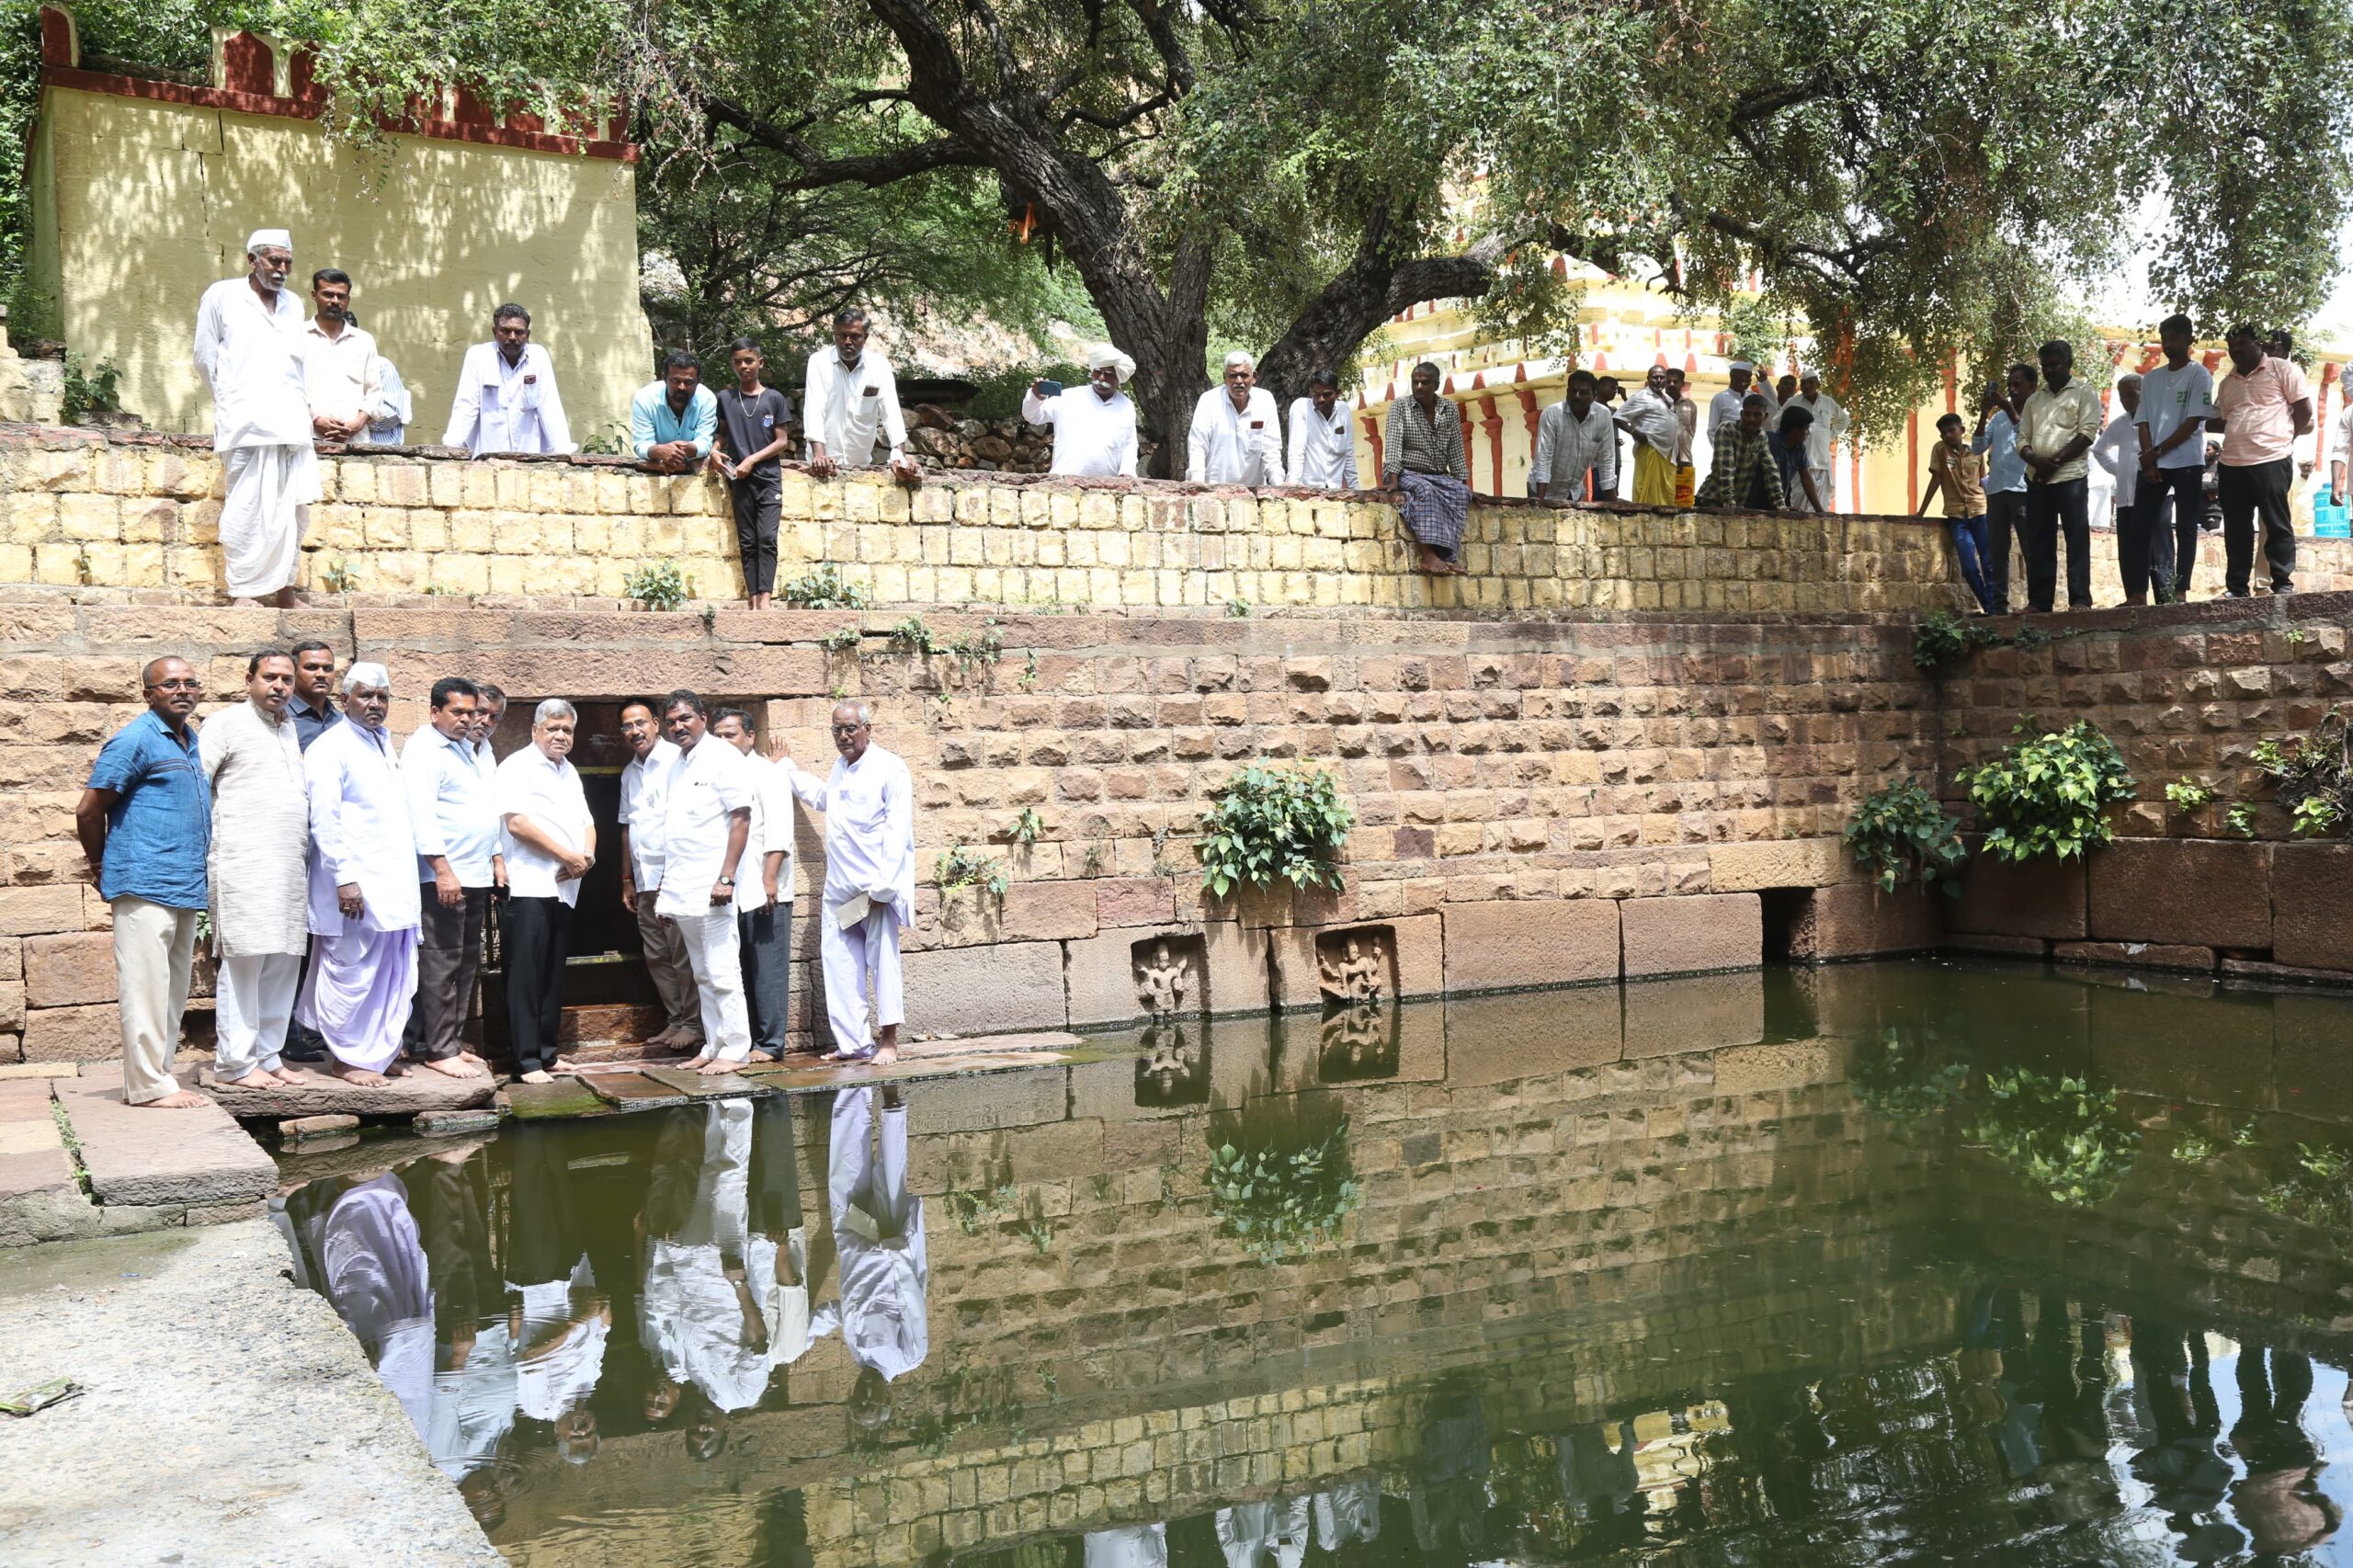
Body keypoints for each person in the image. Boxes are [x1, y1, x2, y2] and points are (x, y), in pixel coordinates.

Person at [76, 657, 211, 1108]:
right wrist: (100, 867)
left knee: (171, 988)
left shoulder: (189, 740)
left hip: (183, 880)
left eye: (190, 683)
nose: (182, 690)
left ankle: (158, 1074)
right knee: (145, 985)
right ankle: (147, 1087)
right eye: (169, 683)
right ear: (147, 693)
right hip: (143, 879)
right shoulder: (135, 739)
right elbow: (89, 810)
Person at [300, 662, 422, 1085]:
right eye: (366, 695)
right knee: (351, 970)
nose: (375, 704)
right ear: (345, 700)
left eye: (382, 696)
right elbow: (325, 820)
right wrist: (344, 878)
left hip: (393, 885)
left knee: (391, 971)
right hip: (356, 886)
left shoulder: (382, 744)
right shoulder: (330, 747)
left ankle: (376, 1053)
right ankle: (346, 1058)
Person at [775, 702, 915, 1066]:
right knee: (839, 964)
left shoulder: (890, 768)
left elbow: (898, 829)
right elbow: (825, 798)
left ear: (868, 728)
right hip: (840, 889)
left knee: (882, 962)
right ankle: (853, 1044)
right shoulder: (841, 767)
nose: (843, 736)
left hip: (873, 889)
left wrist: (885, 887)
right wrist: (787, 769)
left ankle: (888, 1042)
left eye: (851, 728)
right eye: (837, 729)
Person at [198, 649, 310, 1089]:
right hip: (243, 864)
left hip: (287, 865)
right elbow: (197, 784)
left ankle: (268, 1053)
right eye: (270, 677)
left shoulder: (290, 728)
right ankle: (236, 1063)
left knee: (283, 961)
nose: (279, 686)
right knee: (245, 963)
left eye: (286, 679)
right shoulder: (225, 724)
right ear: (250, 680)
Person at [192, 228, 316, 608]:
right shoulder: (222, 295)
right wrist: (229, 402)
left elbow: (298, 364)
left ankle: (284, 590)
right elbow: (204, 356)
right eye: (274, 261)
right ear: (253, 260)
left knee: (292, 509)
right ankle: (243, 590)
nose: (281, 269)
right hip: (244, 421)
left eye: (287, 263)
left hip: (291, 422)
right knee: (246, 506)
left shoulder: (294, 304)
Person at [654, 691, 757, 1075]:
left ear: (702, 716)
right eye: (671, 722)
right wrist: (666, 893)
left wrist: (726, 877)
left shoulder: (722, 756)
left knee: (722, 969)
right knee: (700, 972)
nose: (678, 727)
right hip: (683, 886)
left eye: (685, 719)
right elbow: (676, 834)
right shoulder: (676, 765)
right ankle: (714, 1045)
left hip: (714, 886)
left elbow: (741, 818)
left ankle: (735, 1049)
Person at [810, 1085, 929, 1416]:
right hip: (887, 1244)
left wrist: (799, 1340)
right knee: (890, 1180)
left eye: (856, 1401)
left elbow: (839, 1310)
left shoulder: (858, 1354)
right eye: (871, 1402)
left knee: (845, 1171)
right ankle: (892, 1108)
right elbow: (913, 1304)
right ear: (886, 1399)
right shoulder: (909, 1358)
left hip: (854, 1239)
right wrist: (896, 1254)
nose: (863, 1394)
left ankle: (853, 1088)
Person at [401, 677, 498, 1081]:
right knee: (440, 962)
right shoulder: (424, 749)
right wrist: (442, 870)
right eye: (457, 712)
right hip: (443, 876)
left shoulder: (467, 749)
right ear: (434, 712)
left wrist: (494, 859)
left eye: (471, 712)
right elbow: (421, 815)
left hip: (473, 874)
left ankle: (452, 1041)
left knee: (465, 962)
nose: (466, 719)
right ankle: (438, 1049)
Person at [495, 699, 594, 1085]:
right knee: (525, 974)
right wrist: (568, 856)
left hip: (564, 887)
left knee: (552, 972)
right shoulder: (517, 766)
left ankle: (547, 1053)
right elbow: (518, 824)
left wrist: (585, 857)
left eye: (567, 730)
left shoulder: (568, 771)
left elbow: (587, 821)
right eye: (553, 728)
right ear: (535, 730)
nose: (560, 736)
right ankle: (526, 1061)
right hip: (527, 884)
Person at [616, 701, 703, 1057]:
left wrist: (672, 872)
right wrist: (627, 878)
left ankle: (695, 1025)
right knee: (657, 954)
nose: (634, 731)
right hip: (644, 878)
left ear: (655, 724)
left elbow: (683, 822)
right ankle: (676, 1017)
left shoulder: (675, 761)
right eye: (626, 727)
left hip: (675, 876)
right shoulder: (628, 773)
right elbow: (627, 828)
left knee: (683, 954)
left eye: (640, 723)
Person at [713, 709, 796, 1063]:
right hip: (733, 890)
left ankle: (769, 1043)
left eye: (730, 735)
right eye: (717, 736)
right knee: (739, 968)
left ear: (750, 737)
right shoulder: (719, 774)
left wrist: (768, 880)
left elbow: (779, 833)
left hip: (765, 888)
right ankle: (744, 1038)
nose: (723, 743)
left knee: (767, 968)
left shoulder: (768, 773)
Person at [2210, 322, 2313, 596]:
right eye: (2231, 346)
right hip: (2231, 464)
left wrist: (2285, 439)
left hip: (2272, 459)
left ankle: (2281, 584)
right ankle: (2237, 587)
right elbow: (2228, 419)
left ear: (2259, 344)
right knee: (2236, 529)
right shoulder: (2226, 383)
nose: (2236, 351)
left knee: (2277, 523)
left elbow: (2303, 410)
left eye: (2242, 344)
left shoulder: (2283, 369)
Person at [2017, 339, 2103, 612]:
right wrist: (2035, 461)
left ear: (2069, 364)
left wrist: (2052, 464)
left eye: (2055, 365)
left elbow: (2087, 433)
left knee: (2076, 539)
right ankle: (2040, 602)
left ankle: (2080, 599)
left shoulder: (2084, 393)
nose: (2050, 370)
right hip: (2037, 479)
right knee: (2039, 541)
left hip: (2071, 478)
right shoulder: (2034, 400)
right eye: (2045, 366)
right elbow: (2021, 440)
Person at [711, 338, 795, 610]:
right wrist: (714, 451)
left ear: (760, 362)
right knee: (747, 540)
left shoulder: (774, 399)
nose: (743, 366)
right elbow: (722, 435)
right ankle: (753, 600)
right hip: (739, 478)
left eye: (748, 361)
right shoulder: (725, 398)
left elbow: (781, 441)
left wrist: (752, 459)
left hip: (768, 478)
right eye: (737, 362)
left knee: (767, 538)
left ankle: (767, 600)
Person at [1379, 361, 1472, 575]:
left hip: (1438, 474)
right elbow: (1392, 444)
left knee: (1461, 493)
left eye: (1425, 383)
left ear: (1436, 385)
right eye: (1415, 382)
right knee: (1425, 492)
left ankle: (1448, 557)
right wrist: (1392, 480)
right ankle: (1428, 556)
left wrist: (1462, 481)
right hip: (1405, 472)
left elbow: (1456, 449)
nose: (1419, 387)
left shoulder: (1449, 409)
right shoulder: (1400, 407)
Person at [803, 307, 917, 482]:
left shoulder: (879, 366)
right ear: (834, 334)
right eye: (842, 336)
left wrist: (900, 456)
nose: (847, 341)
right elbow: (814, 409)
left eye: (855, 336)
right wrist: (820, 456)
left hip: (861, 466)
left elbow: (891, 412)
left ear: (865, 337)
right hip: (822, 465)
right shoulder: (819, 362)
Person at [444, 303, 574, 456]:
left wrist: (563, 454)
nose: (512, 337)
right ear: (495, 332)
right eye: (505, 331)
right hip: (488, 457)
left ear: (528, 334)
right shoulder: (478, 357)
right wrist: (450, 451)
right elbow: (466, 407)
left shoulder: (538, 358)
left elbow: (550, 408)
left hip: (529, 458)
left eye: (519, 332)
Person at [1023, 344, 1142, 480]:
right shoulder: (1069, 397)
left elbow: (1130, 444)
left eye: (1108, 374)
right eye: (1098, 372)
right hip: (1064, 480)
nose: (1101, 378)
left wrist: (1127, 472)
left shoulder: (1126, 406)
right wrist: (1035, 397)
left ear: (1118, 378)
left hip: (1108, 486)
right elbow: (1032, 416)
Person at [1917, 413, 1997, 614]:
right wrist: (1920, 513)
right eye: (1943, 433)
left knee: (1989, 564)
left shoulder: (1976, 452)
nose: (1948, 435)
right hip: (1957, 517)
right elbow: (1935, 480)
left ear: (1961, 430)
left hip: (1981, 512)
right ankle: (1990, 607)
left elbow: (1983, 481)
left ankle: (1996, 609)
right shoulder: (1940, 450)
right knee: (1969, 568)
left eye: (1952, 430)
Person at [1973, 366, 2036, 615]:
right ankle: (1998, 606)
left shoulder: (2035, 414)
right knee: (1997, 551)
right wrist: (1983, 414)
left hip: (2023, 489)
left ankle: (2036, 603)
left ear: (2032, 387)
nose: (2011, 389)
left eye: (2018, 384)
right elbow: (1978, 447)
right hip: (1997, 492)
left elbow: (2028, 438)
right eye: (2009, 384)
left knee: (2030, 548)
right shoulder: (1997, 419)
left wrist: (2008, 408)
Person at [2092, 372, 2154, 601]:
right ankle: (2133, 597)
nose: (2127, 400)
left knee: (2155, 548)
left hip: (2153, 492)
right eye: (2122, 396)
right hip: (2126, 497)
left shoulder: (2156, 419)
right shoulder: (2120, 424)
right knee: (2127, 549)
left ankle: (2164, 597)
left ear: (2143, 393)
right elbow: (2099, 450)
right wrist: (2120, 470)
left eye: (2132, 394)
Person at [301, 267, 378, 446]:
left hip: (355, 443)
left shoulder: (364, 341)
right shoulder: (298, 335)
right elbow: (287, 387)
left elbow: (374, 392)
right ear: (314, 295)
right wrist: (315, 419)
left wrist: (357, 424)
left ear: (348, 299)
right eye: (328, 295)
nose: (335, 301)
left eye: (341, 296)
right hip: (307, 439)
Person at [1187, 351, 1283, 485]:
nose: (1239, 381)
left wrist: (1279, 484)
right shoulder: (1209, 400)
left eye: (1244, 375)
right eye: (1233, 376)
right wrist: (1197, 482)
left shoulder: (1265, 401)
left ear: (1253, 377)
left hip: (1252, 491)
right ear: (1225, 378)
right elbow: (1198, 445)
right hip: (1212, 489)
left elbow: (1271, 449)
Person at [1529, 369, 1617, 502]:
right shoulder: (1552, 414)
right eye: (1573, 391)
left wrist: (1614, 504)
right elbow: (1543, 458)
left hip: (1574, 492)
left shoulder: (1603, 416)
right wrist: (1540, 502)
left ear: (1594, 396)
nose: (1576, 396)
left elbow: (1606, 459)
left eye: (1583, 393)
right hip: (1543, 490)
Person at [631, 350, 718, 475]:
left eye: (688, 382)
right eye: (675, 381)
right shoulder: (645, 398)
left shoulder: (707, 399)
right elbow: (642, 444)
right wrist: (661, 451)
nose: (682, 387)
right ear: (664, 378)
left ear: (698, 381)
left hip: (695, 472)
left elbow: (704, 444)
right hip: (655, 470)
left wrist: (678, 451)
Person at [1696, 394, 1786, 511]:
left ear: (1765, 416)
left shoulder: (1762, 437)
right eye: (1748, 414)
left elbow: (1771, 471)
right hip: (1711, 500)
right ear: (1741, 414)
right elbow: (1726, 468)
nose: (1751, 419)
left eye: (1757, 415)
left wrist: (1780, 505)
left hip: (1737, 505)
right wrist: (1729, 501)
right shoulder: (1727, 429)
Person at [1615, 366, 1682, 506]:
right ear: (1648, 379)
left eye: (1662, 377)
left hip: (1668, 454)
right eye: (1655, 377)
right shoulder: (1641, 396)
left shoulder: (1668, 399)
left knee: (1667, 495)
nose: (1659, 380)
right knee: (1645, 492)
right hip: (1650, 448)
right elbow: (1618, 417)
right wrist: (1633, 432)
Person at [1284, 368, 1358, 489]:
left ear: (1338, 393)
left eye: (1326, 394)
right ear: (1310, 392)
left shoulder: (1344, 410)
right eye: (1316, 394)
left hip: (1335, 491)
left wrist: (1356, 491)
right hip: (1306, 490)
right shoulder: (1301, 407)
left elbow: (1348, 454)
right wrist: (1292, 486)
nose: (1321, 399)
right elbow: (1297, 450)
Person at [1788, 370, 1847, 510]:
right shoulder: (1794, 402)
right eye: (1803, 383)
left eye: (1810, 383)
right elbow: (1777, 422)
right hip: (1801, 461)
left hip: (1822, 461)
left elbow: (1844, 420)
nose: (1807, 386)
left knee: (1821, 505)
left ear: (1818, 385)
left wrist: (1830, 434)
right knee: (1799, 505)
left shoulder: (1828, 402)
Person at [1770, 404, 1824, 512]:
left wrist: (1820, 511)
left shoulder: (1799, 448)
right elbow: (1772, 476)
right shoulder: (1771, 441)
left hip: (1779, 505)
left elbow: (1806, 478)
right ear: (1795, 430)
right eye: (1806, 428)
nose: (1808, 433)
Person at [1708, 360, 1777, 437]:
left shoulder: (1752, 396)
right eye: (1746, 376)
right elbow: (1712, 431)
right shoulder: (1720, 398)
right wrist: (1721, 448)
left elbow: (1773, 408)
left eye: (1750, 377)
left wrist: (1764, 382)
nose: (1749, 380)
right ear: (1733, 377)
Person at [1665, 368, 1699, 506]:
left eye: (1675, 381)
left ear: (1682, 384)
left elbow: (1691, 431)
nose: (1672, 384)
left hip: (1684, 460)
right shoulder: (1658, 404)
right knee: (1663, 502)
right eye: (1669, 381)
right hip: (1663, 460)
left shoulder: (1690, 406)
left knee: (1684, 503)